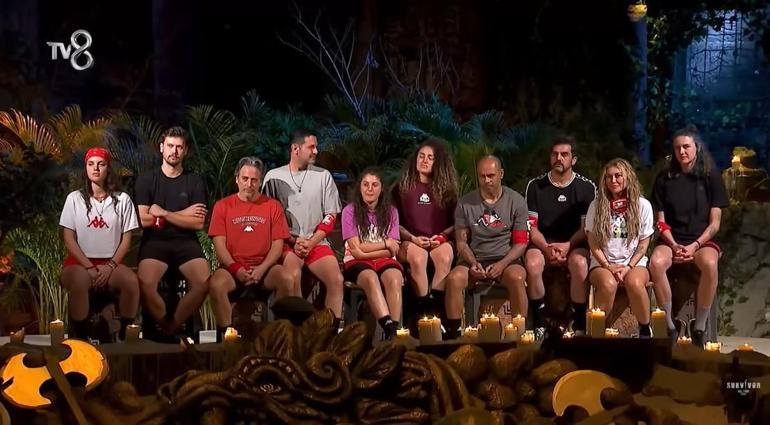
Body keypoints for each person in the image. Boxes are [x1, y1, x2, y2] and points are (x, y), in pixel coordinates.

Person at [649, 125, 728, 347]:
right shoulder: (664, 178)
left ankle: (699, 328)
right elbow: (660, 221)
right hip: (672, 240)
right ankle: (670, 326)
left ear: (696, 147)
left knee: (710, 264)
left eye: (686, 146)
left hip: (702, 240)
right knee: (656, 262)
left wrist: (694, 246)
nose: (682, 151)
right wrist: (674, 245)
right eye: (677, 148)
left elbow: (715, 224)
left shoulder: (711, 177)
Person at [134, 126, 210, 339]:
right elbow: (143, 220)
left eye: (179, 147)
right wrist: (183, 215)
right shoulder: (147, 180)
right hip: (155, 241)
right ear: (161, 147)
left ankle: (171, 328)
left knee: (204, 282)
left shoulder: (194, 180)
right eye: (170, 146)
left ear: (185, 151)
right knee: (145, 283)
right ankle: (164, 326)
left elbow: (197, 223)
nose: (174, 151)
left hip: (186, 241)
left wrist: (163, 213)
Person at [262, 129, 344, 326]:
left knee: (337, 280)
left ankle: (330, 331)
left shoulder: (323, 175)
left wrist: (312, 241)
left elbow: (331, 215)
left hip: (316, 241)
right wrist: (293, 240)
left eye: (316, 147)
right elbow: (270, 218)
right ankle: (297, 330)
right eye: (311, 147)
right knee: (293, 275)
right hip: (287, 242)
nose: (316, 151)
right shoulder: (273, 176)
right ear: (295, 149)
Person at [208, 157, 294, 341]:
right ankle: (229, 337)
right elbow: (219, 246)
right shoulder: (222, 206)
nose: (249, 184)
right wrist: (236, 269)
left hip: (264, 269)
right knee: (216, 284)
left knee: (286, 278)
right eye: (245, 179)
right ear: (237, 179)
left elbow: (277, 245)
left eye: (254, 180)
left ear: (260, 181)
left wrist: (262, 268)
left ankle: (278, 335)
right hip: (232, 269)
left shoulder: (272, 206)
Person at [59, 147, 140, 341]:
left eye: (101, 164)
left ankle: (124, 334)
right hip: (79, 263)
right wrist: (89, 267)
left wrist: (109, 266)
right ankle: (81, 338)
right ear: (86, 168)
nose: (95, 168)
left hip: (110, 263)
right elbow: (68, 238)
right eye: (91, 164)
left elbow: (126, 239)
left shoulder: (122, 200)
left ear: (108, 169)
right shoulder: (74, 198)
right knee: (79, 281)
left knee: (131, 282)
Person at [444, 155, 529, 340]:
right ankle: (455, 334)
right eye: (482, 176)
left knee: (517, 277)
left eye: (491, 175)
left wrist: (502, 264)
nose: (487, 180)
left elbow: (521, 243)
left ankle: (519, 332)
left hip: (506, 258)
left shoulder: (516, 201)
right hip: (475, 258)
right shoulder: (465, 203)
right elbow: (461, 242)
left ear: (501, 174)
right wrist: (472, 263)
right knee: (453, 279)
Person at [524, 136, 596, 334]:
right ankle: (539, 322)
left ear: (573, 159)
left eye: (564, 154)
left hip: (575, 243)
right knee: (532, 263)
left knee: (580, 264)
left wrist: (568, 246)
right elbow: (532, 228)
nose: (559, 158)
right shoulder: (535, 186)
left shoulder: (586, 188)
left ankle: (579, 322)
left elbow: (585, 228)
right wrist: (547, 248)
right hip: (543, 243)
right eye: (555, 154)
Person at [585, 158, 654, 337]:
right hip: (602, 263)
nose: (613, 180)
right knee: (608, 284)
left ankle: (645, 329)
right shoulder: (596, 205)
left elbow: (644, 243)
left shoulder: (643, 205)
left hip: (634, 262)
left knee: (634, 282)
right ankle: (596, 332)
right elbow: (593, 242)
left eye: (618, 176)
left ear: (628, 177)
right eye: (609, 177)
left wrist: (629, 266)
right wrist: (608, 266)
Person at [392, 138, 458, 320]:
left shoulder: (447, 190)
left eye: (430, 157)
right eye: (421, 156)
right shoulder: (401, 188)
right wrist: (412, 238)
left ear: (438, 162)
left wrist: (442, 237)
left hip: (439, 241)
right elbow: (393, 223)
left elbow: (457, 223)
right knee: (418, 257)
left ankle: (436, 311)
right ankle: (424, 311)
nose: (425, 160)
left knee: (444, 257)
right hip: (410, 241)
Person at [341, 167, 403, 340]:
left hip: (384, 261)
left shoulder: (391, 212)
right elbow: (355, 250)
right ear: (359, 187)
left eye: (374, 185)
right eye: (365, 184)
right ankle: (389, 328)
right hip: (356, 263)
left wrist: (364, 250)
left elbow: (394, 248)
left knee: (395, 278)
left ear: (381, 189)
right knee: (370, 278)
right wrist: (385, 244)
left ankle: (392, 332)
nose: (369, 189)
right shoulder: (350, 211)